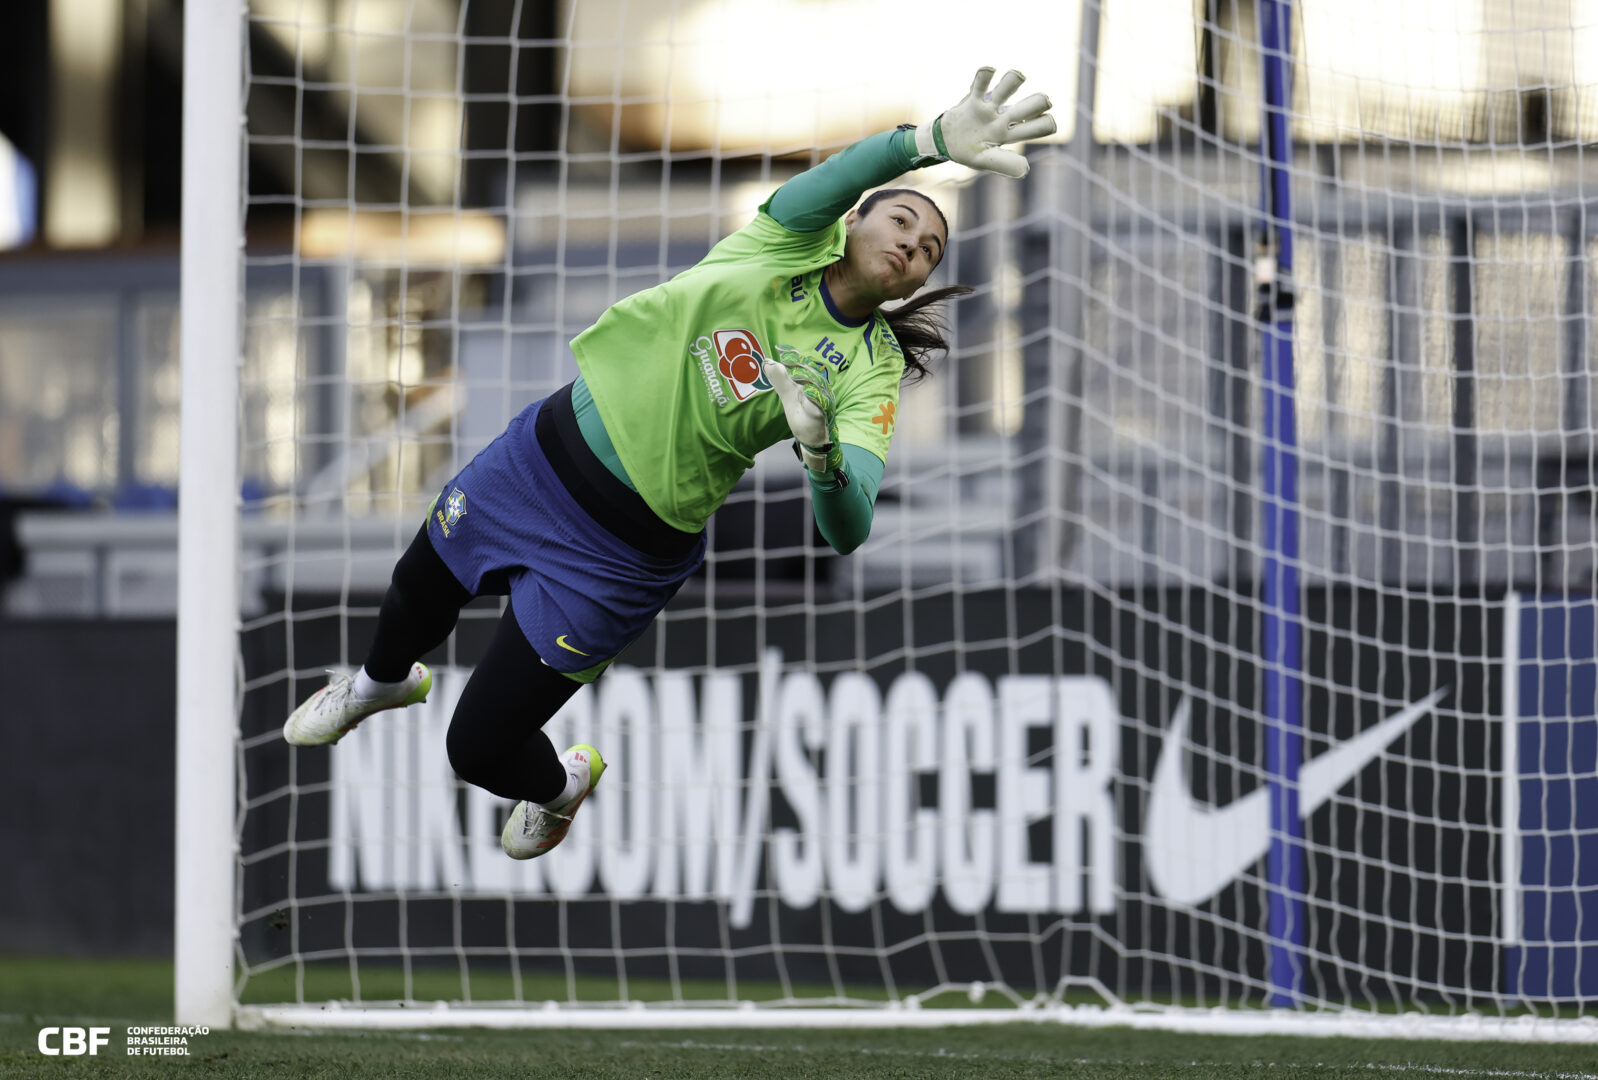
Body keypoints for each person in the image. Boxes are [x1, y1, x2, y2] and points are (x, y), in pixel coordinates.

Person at [283, 67, 1056, 860]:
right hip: (539, 459)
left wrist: (821, 453)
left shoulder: (868, 367)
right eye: (900, 220)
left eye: (929, 248)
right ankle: (377, 686)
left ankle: (559, 791)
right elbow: (847, 170)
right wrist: (928, 145)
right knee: (418, 585)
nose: (912, 244)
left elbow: (850, 525)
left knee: (476, 751)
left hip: (619, 554)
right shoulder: (786, 236)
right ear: (854, 223)